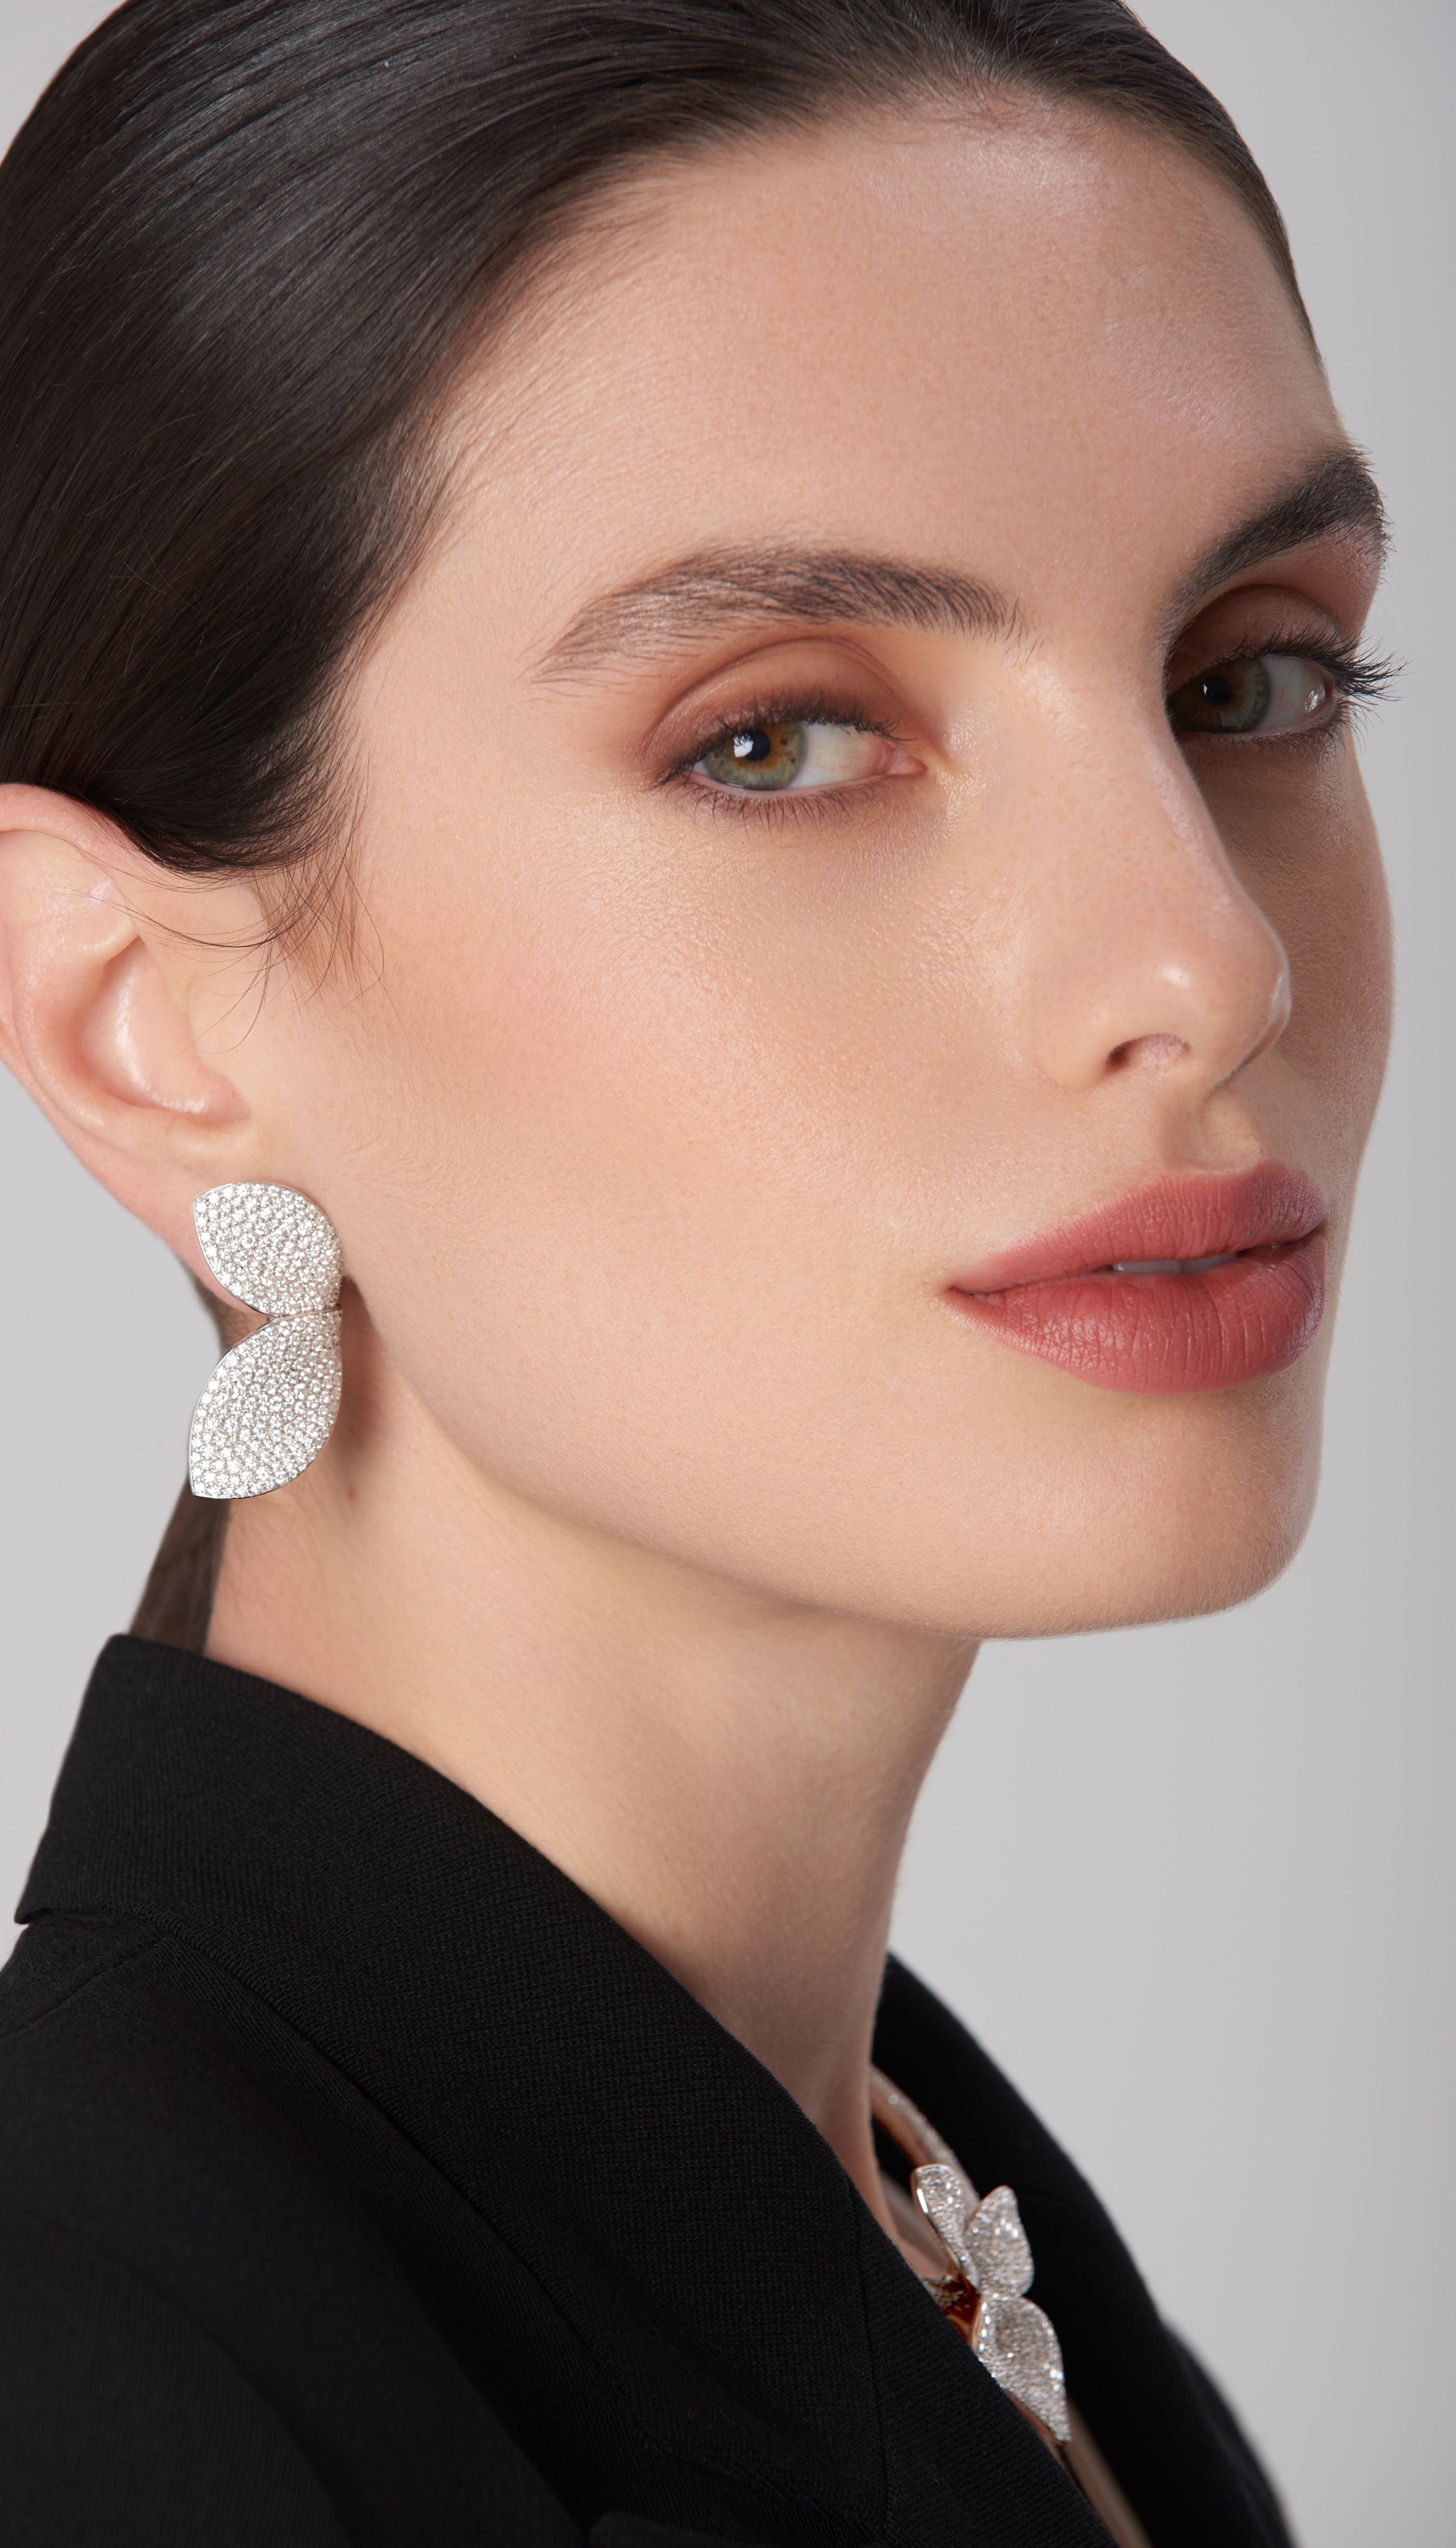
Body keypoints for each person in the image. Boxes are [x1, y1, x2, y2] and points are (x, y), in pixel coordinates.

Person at [0, 2, 1392, 2541]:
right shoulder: (101, 2401)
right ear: (146, 1025)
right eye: (776, 739)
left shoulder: (926, 2217)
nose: (1206, 960)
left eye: (1246, 678)